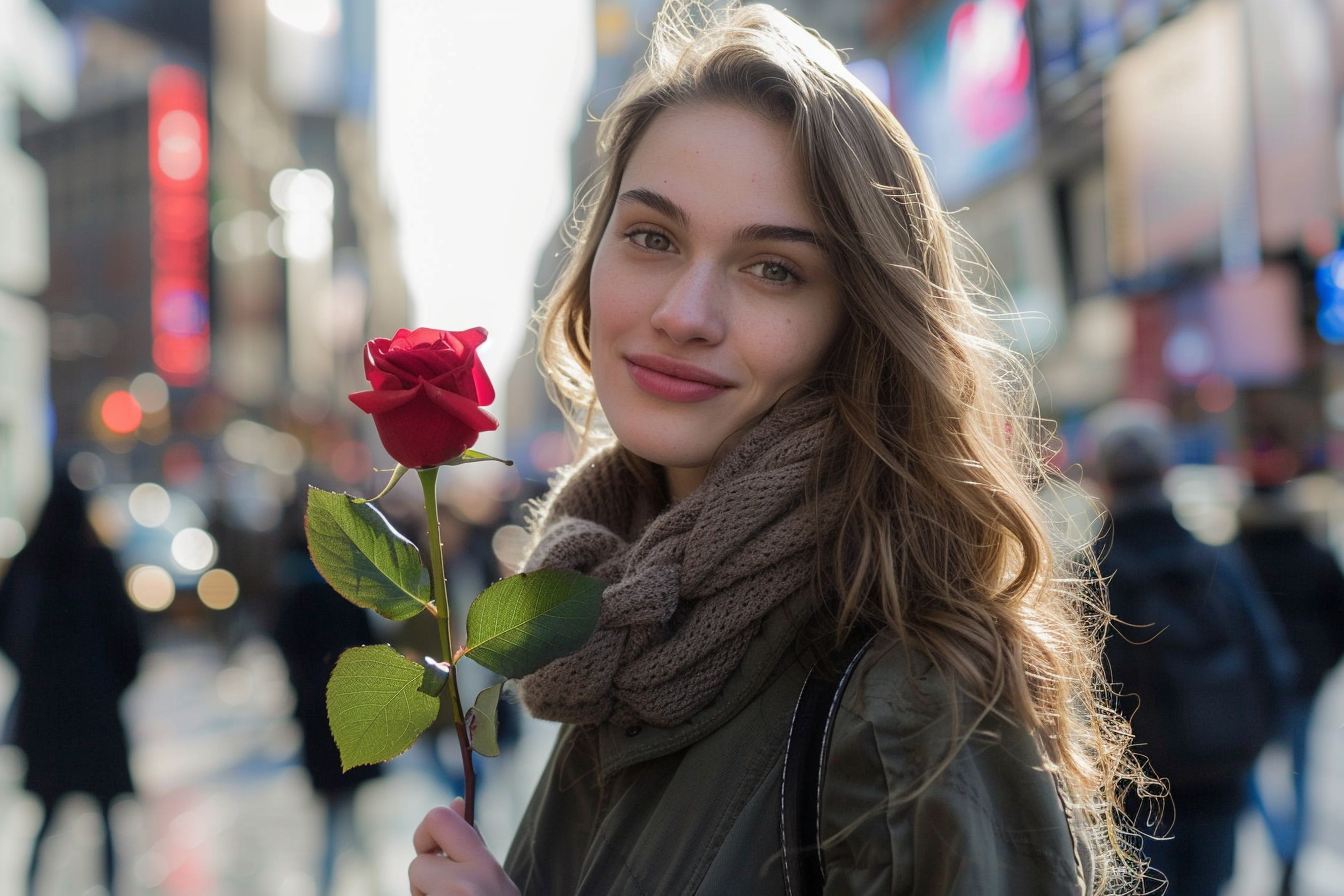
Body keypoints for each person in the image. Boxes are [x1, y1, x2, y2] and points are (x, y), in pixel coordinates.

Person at [408, 3, 1145, 894]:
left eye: (774, 269)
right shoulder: (615, 623)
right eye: (651, 237)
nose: (684, 314)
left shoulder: (911, 695)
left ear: (860, 323)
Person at [1090, 402, 1296, 896]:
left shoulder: (1090, 576)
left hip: (1132, 797)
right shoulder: (1212, 562)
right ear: (1166, 472)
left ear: (1102, 480)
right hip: (1216, 777)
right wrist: (1246, 747)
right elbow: (1273, 663)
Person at [0, 467, 144, 895]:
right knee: (104, 816)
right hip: (94, 712)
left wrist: (34, 674)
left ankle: (29, 887)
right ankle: (111, 888)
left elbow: (7, 630)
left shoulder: (31, 564)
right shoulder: (97, 565)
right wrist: (110, 686)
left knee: (47, 813)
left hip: (46, 715)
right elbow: (130, 641)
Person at [1236, 432, 1344, 895]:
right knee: (1299, 769)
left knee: (1249, 772)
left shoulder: (1235, 555)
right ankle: (1291, 849)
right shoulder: (1313, 553)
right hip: (1302, 679)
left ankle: (1284, 845)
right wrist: (1318, 665)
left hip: (1254, 683)